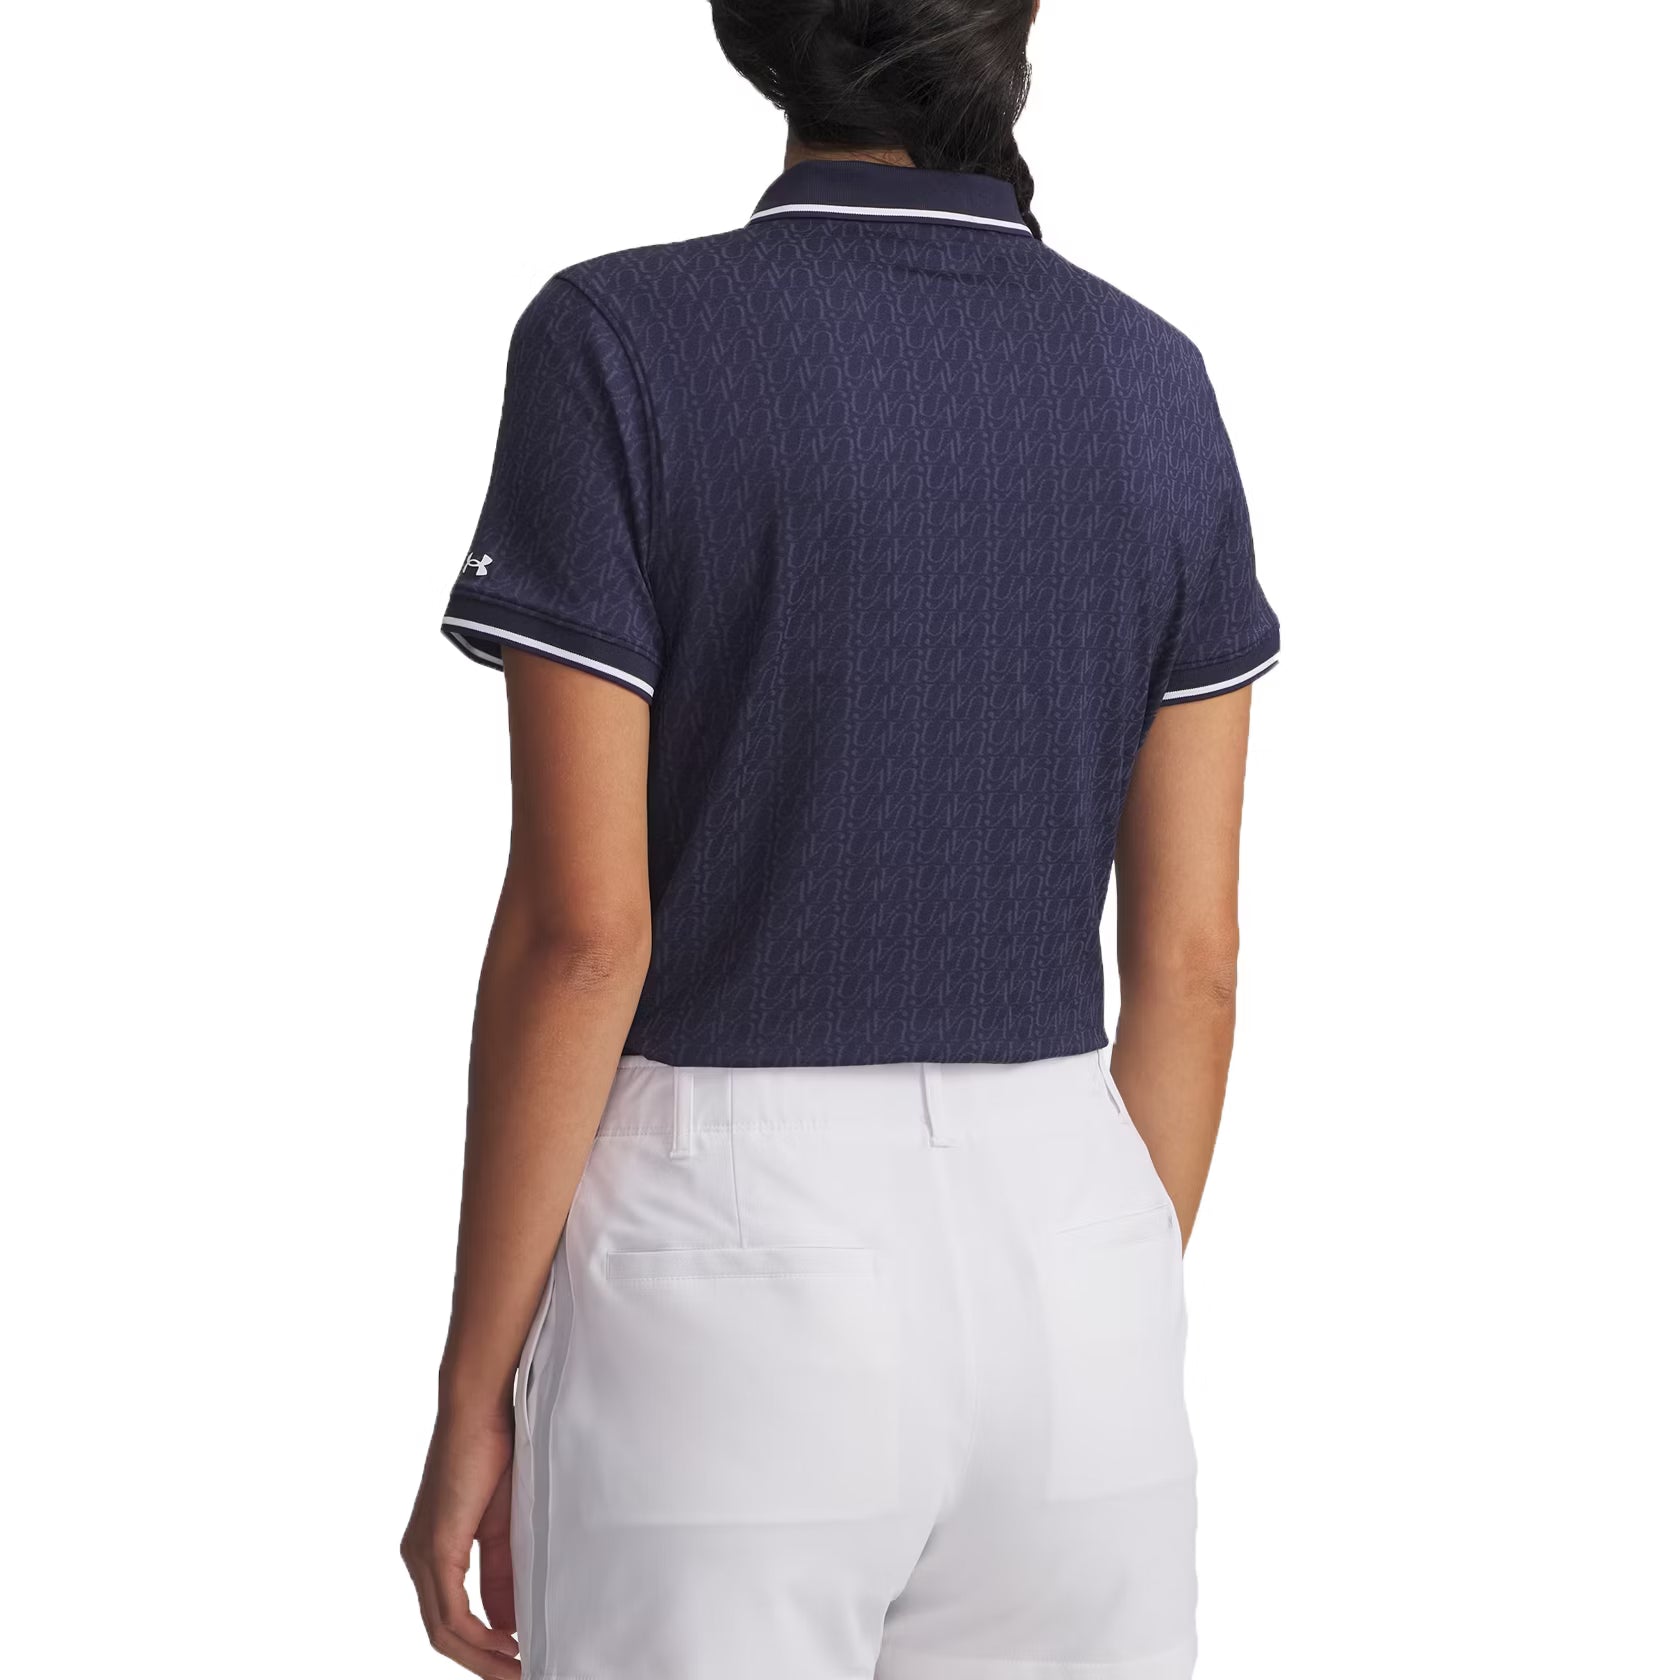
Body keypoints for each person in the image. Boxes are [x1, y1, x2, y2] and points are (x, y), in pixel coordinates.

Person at [402, 2, 1279, 1674]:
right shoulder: (1154, 378)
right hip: (1081, 1260)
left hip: (727, 1264)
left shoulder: (623, 341)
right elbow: (1192, 965)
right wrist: (1085, 1277)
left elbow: (587, 936)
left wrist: (470, 1391)